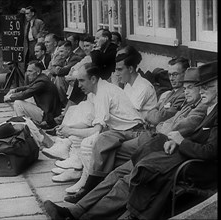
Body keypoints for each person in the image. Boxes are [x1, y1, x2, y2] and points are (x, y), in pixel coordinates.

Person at [43, 61, 216, 220]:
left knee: (127, 177)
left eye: (203, 87)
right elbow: (162, 122)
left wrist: (178, 139)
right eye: (198, 88)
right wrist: (174, 137)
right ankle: (77, 210)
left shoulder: (204, 108)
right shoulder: (198, 105)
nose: (199, 92)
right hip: (161, 146)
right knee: (117, 172)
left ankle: (83, 215)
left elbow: (199, 144)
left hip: (177, 159)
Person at [63, 56, 189, 204]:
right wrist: (154, 115)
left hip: (146, 134)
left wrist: (154, 115)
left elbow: (155, 118)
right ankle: (90, 188)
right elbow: (152, 115)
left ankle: (90, 188)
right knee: (103, 141)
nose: (172, 78)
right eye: (170, 74)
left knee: (103, 143)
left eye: (176, 74)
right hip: (140, 132)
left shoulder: (183, 95)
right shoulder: (168, 94)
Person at [3, 61, 61, 128]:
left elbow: (25, 94)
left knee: (18, 103)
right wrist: (15, 90)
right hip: (47, 111)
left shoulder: (42, 82)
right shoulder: (42, 78)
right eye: (27, 71)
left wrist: (9, 97)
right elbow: (29, 87)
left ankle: (23, 126)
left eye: (30, 71)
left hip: (48, 116)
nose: (27, 74)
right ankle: (21, 121)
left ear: (38, 72)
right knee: (25, 100)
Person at [116, 46, 157, 119]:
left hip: (143, 126)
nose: (117, 73)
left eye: (120, 70)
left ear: (130, 69)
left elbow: (129, 114)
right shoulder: (128, 84)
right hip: (130, 124)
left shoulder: (143, 86)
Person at [54, 41, 82, 107]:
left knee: (59, 79)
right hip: (69, 84)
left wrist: (57, 69)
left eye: (61, 51)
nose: (59, 54)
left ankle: (65, 104)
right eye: (58, 52)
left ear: (69, 50)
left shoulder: (75, 58)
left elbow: (60, 72)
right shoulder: (64, 59)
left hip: (76, 85)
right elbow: (51, 68)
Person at [23, 6, 46, 71]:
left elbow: (42, 32)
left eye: (28, 13)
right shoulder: (27, 23)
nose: (26, 15)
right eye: (25, 14)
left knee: (36, 59)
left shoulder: (39, 22)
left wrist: (38, 38)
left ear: (32, 13)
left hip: (35, 42)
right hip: (28, 44)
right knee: (28, 60)